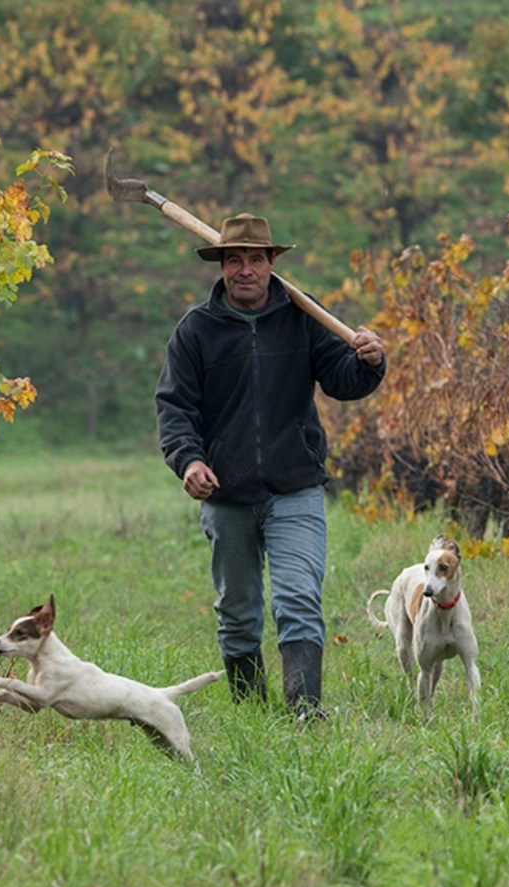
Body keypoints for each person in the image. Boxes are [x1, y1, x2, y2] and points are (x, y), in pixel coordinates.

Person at [155, 213, 386, 720]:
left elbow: (345, 380)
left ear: (271, 264)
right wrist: (189, 461)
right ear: (220, 266)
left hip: (294, 486)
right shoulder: (195, 331)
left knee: (299, 597)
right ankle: (251, 715)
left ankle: (305, 712)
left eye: (255, 259)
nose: (244, 270)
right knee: (237, 612)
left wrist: (370, 360)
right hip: (225, 494)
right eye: (234, 260)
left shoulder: (305, 317)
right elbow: (174, 409)